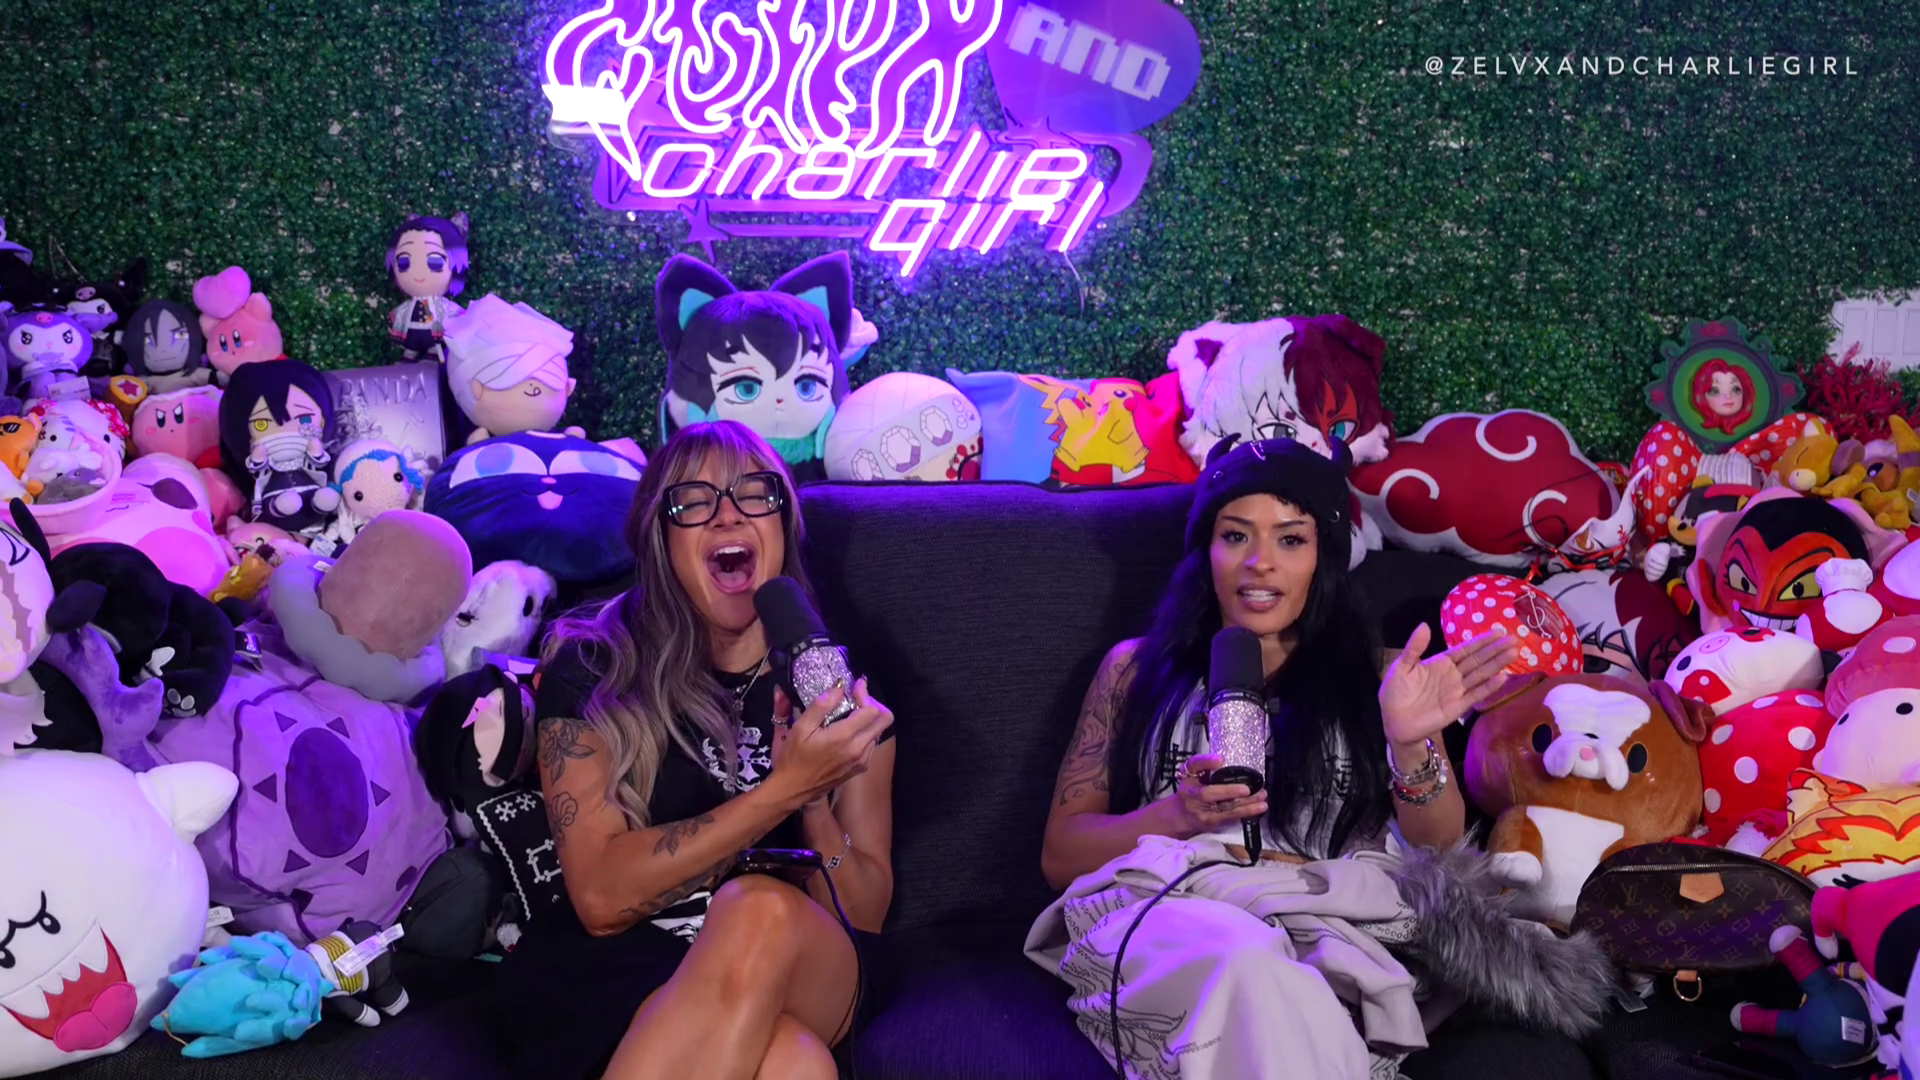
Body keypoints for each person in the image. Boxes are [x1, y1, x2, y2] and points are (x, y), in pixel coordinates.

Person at [1039, 435, 1529, 1077]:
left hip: (1327, 928)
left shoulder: (1384, 677)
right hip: (1179, 919)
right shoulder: (1132, 671)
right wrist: (1179, 817)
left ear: (1324, 556)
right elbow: (1061, 857)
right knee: (1246, 959)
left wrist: (1409, 741)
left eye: (1291, 539)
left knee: (1279, 980)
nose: (1259, 563)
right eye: (1235, 536)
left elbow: (1437, 850)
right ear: (1206, 549)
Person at [499, 420, 896, 1080]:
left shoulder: (837, 685)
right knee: (794, 1066)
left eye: (754, 493)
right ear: (661, 538)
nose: (727, 515)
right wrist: (783, 791)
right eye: (694, 501)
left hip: (808, 959)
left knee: (760, 910)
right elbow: (599, 898)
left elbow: (864, 916)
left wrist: (816, 804)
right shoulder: (595, 667)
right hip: (628, 962)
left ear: (783, 524)